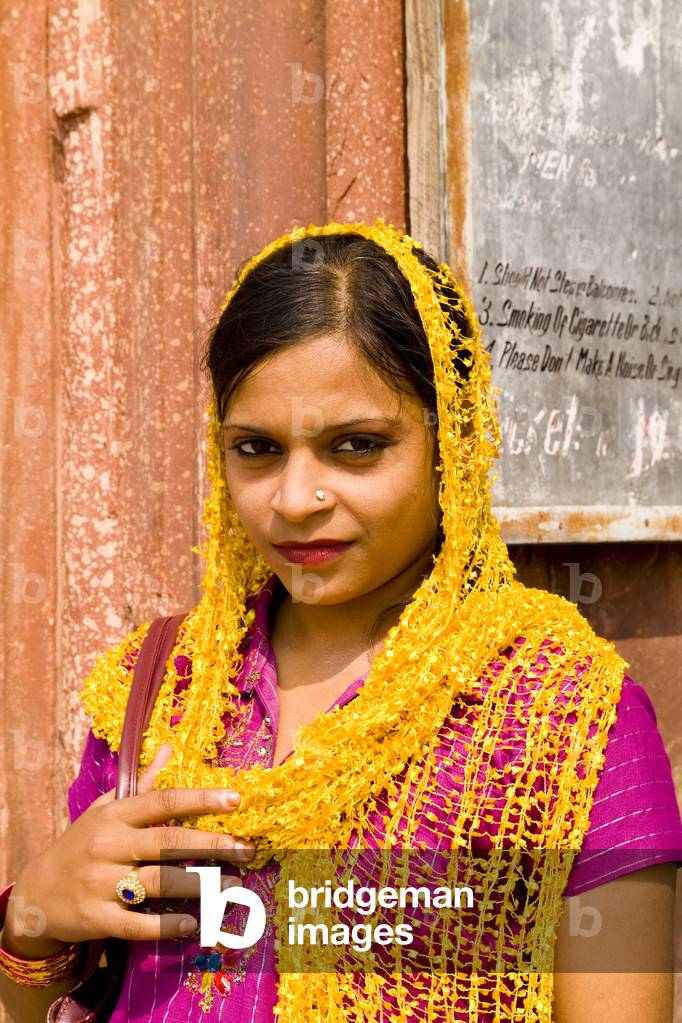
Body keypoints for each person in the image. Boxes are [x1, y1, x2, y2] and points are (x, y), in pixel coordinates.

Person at [1, 219, 680, 1023]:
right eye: (256, 449)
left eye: (356, 446)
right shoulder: (162, 686)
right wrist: (32, 921)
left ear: (450, 447)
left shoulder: (565, 717)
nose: (295, 499)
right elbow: (33, 1000)